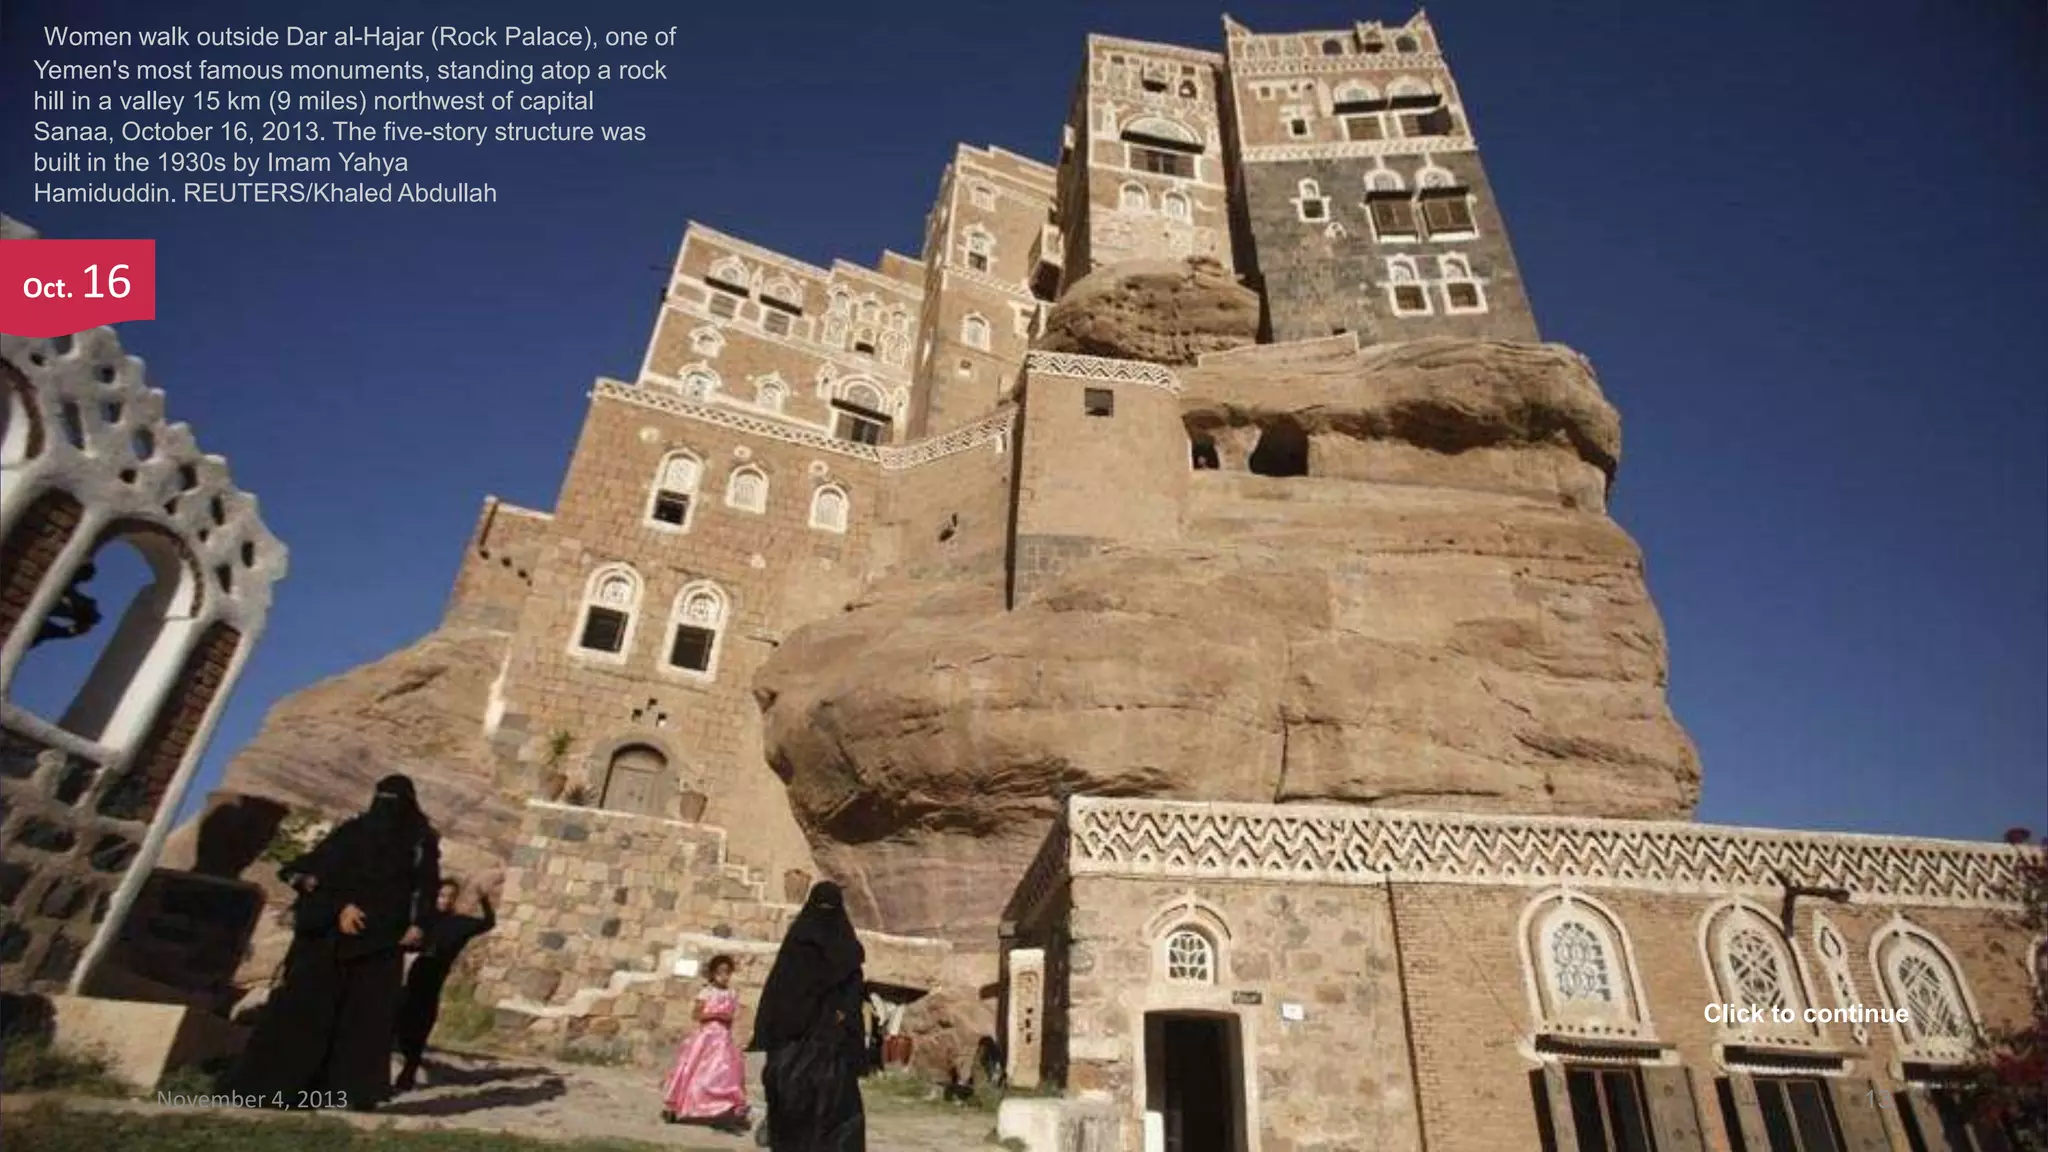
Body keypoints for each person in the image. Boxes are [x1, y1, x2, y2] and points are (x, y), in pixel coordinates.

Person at [231, 774, 440, 1112]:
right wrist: (339, 906)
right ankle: (282, 1090)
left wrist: (419, 924)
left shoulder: (419, 842)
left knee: (363, 1020)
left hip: (381, 942)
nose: (386, 809)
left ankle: (349, 1093)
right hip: (328, 940)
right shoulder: (351, 833)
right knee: (307, 1012)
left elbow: (426, 886)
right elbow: (311, 874)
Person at [748, 881, 867, 1151]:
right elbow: (782, 989)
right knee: (795, 1100)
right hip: (798, 1039)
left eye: (830, 908)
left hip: (828, 1044)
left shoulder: (831, 945)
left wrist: (840, 1016)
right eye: (821, 907)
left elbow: (852, 992)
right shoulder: (803, 943)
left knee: (831, 1106)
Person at [392, 878, 497, 1093]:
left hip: (432, 980)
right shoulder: (423, 920)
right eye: (441, 895)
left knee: (420, 1026)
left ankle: (408, 1073)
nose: (445, 900)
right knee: (397, 1023)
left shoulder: (458, 924)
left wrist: (483, 898)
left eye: (450, 897)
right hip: (411, 976)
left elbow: (488, 923)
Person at [660, 954, 751, 1133]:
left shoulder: (732, 993)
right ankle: (690, 1105)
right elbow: (697, 1015)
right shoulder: (706, 992)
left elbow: (732, 1017)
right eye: (720, 972)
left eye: (727, 972)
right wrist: (715, 1015)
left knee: (722, 1074)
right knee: (697, 1072)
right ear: (713, 973)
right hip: (707, 1037)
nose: (724, 976)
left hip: (723, 1039)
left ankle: (721, 1107)